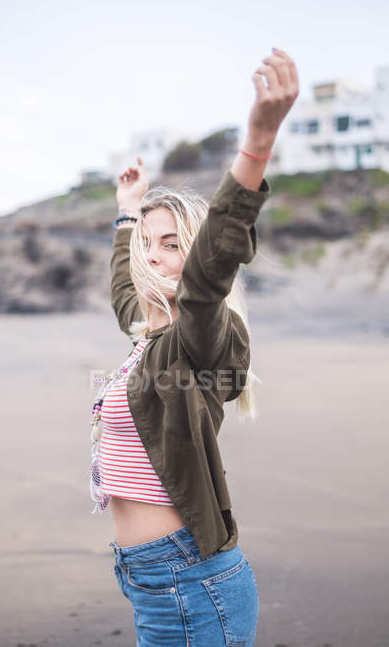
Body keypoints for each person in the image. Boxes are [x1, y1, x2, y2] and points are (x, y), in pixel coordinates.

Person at [97, 47, 299, 646]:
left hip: (189, 583)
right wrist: (129, 217)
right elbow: (123, 294)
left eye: (172, 244)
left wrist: (256, 144)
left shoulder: (199, 336)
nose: (154, 256)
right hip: (151, 581)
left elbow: (213, 266)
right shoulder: (150, 336)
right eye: (149, 245)